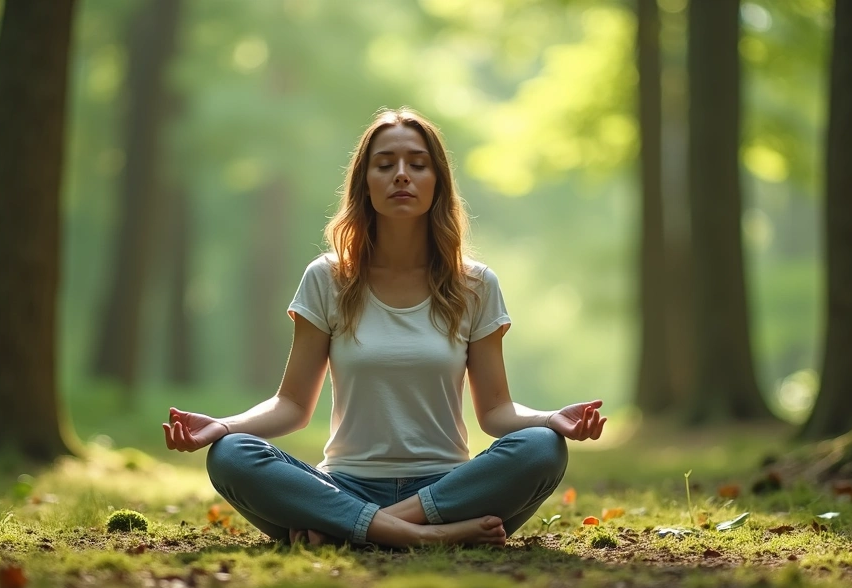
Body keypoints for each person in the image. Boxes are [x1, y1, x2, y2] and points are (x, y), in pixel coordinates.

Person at [161, 107, 605, 548]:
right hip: (344, 487)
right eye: (385, 164)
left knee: (542, 448)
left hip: (447, 490)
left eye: (417, 163)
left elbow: (495, 412)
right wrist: (222, 426)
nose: (401, 175)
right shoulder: (327, 278)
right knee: (232, 454)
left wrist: (551, 420)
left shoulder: (475, 285)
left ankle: (357, 529)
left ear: (438, 182)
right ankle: (423, 537)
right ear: (365, 183)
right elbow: (292, 405)